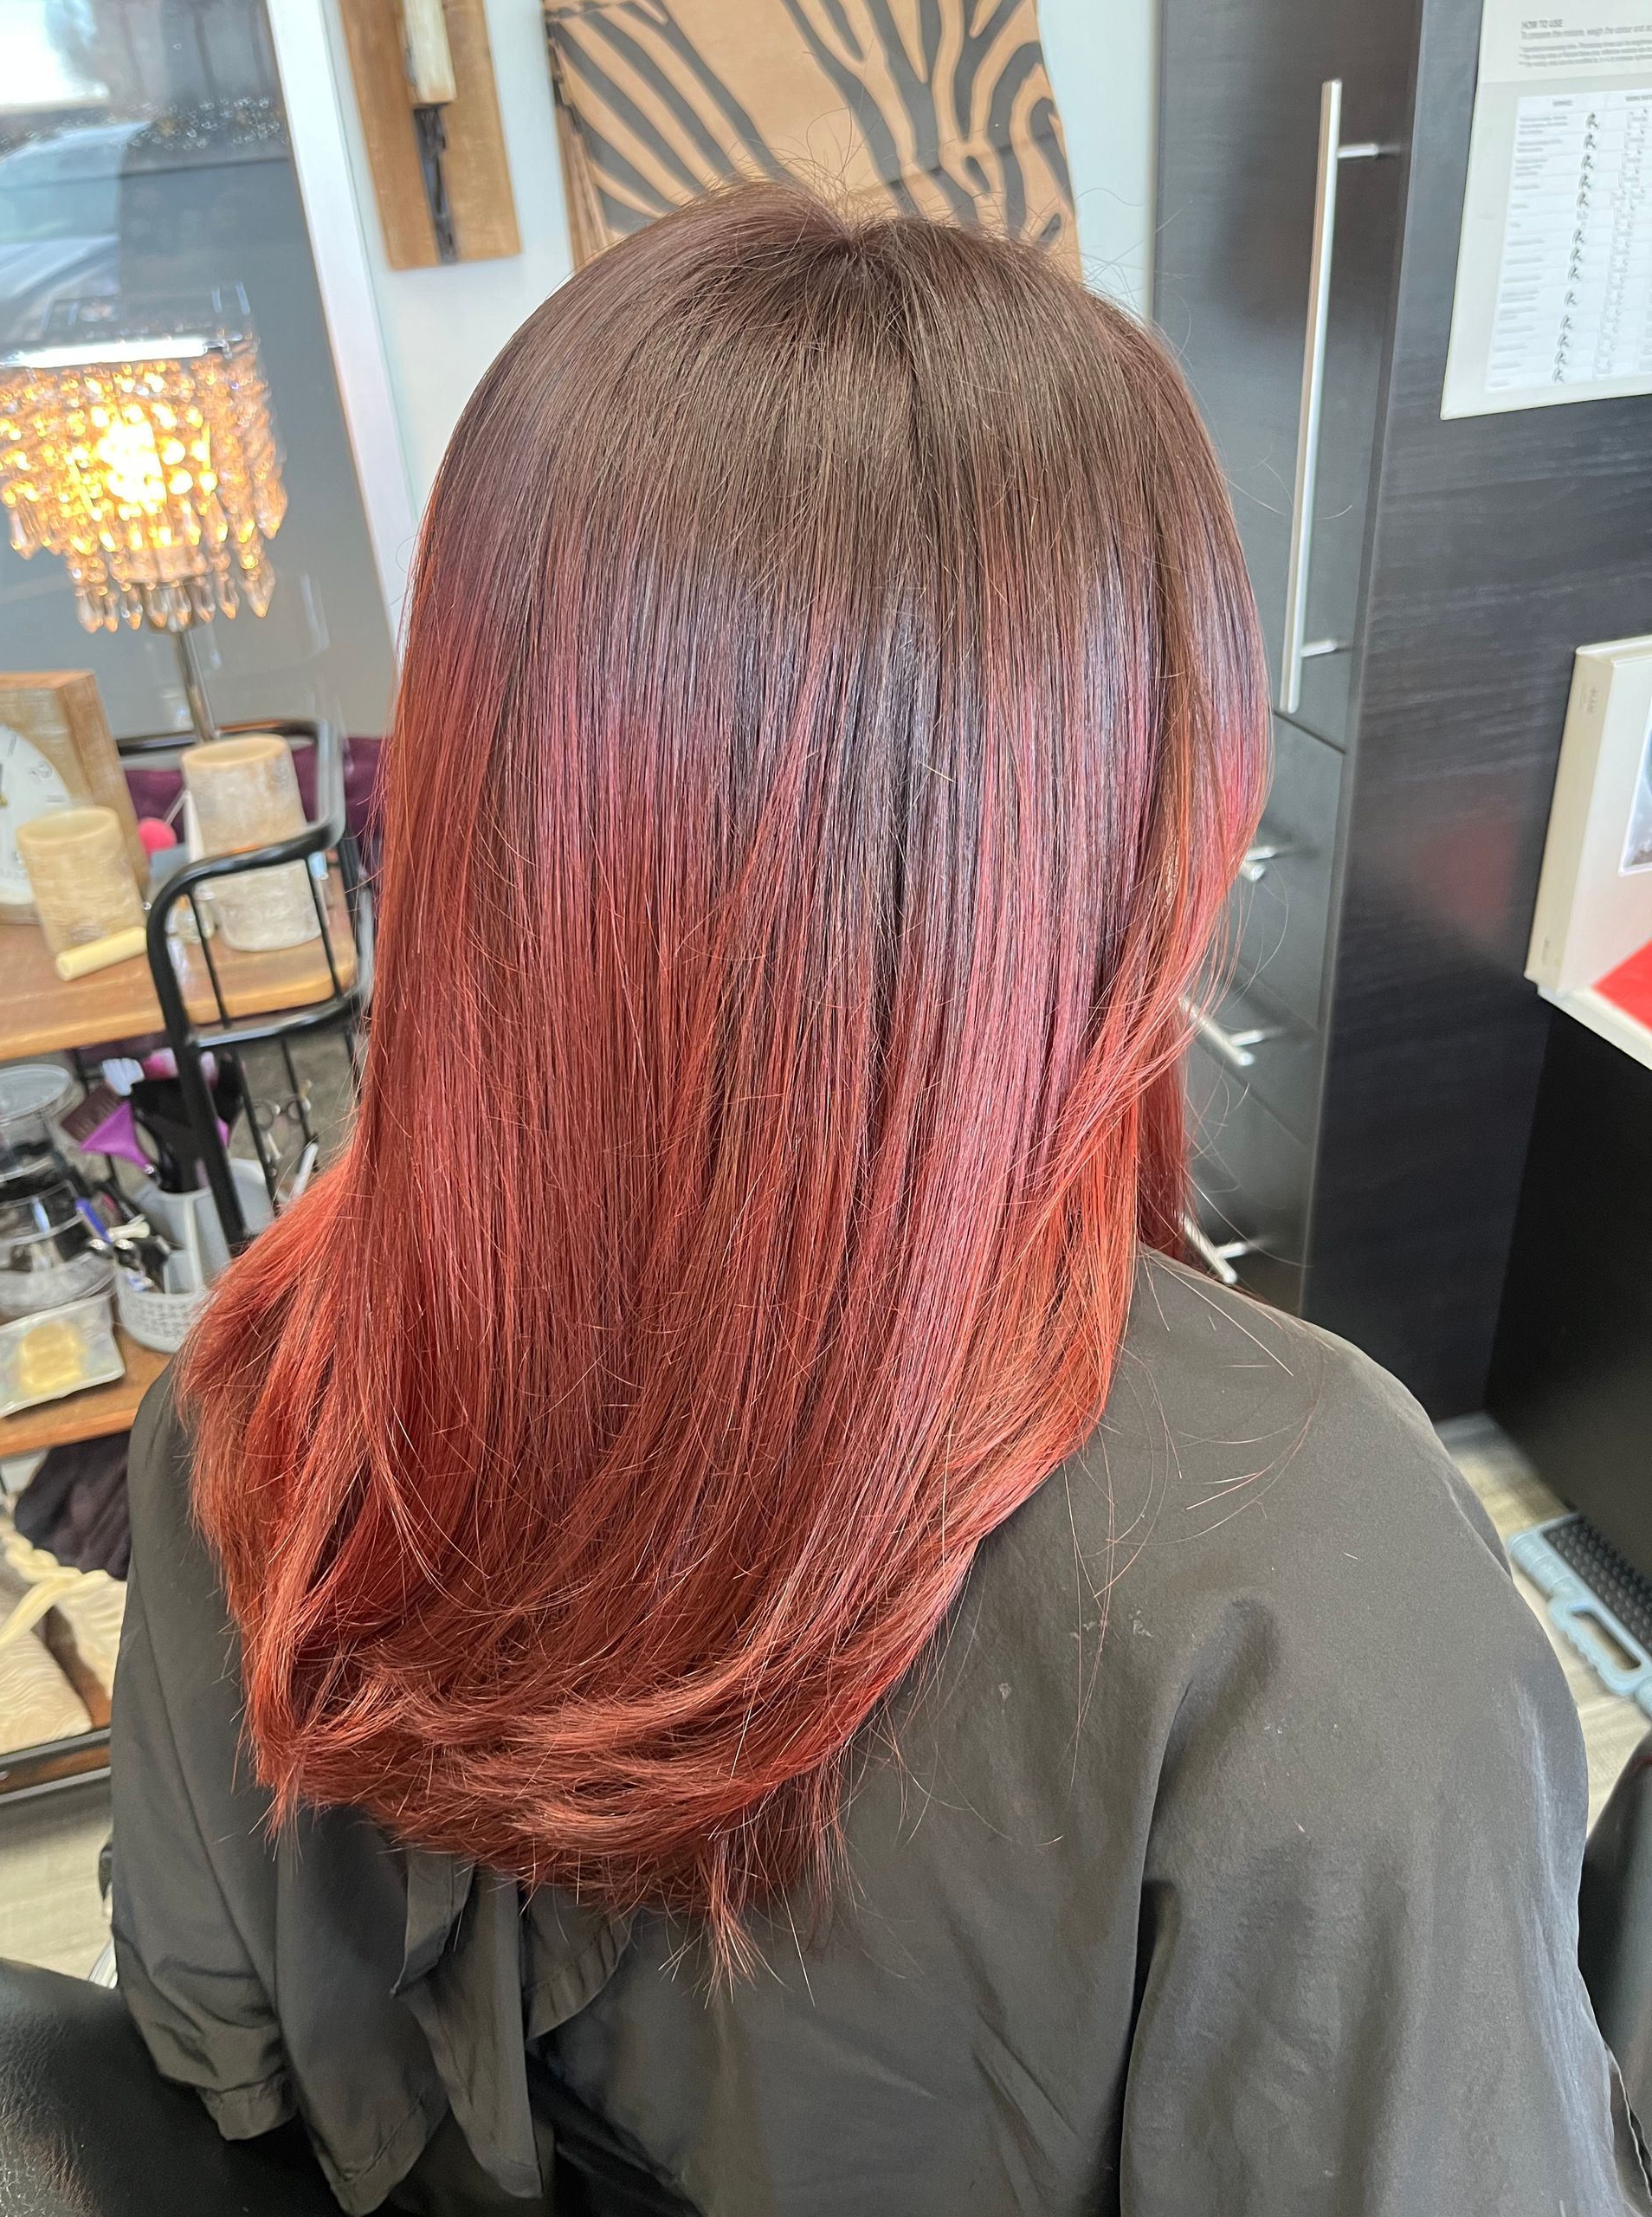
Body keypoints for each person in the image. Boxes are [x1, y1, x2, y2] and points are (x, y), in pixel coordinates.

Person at [110, 185, 1649, 2216]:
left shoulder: (264, 1381)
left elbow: (205, 2039)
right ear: (1138, 817)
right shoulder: (1300, 1586)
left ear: (489, 793)